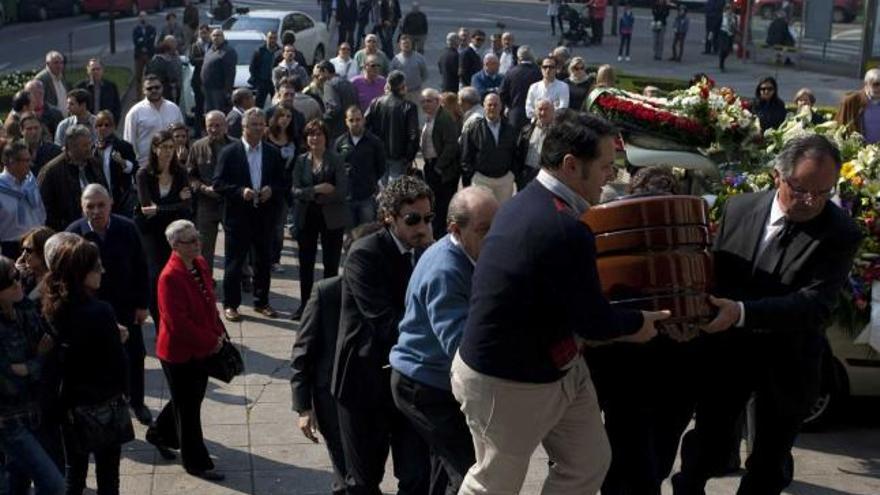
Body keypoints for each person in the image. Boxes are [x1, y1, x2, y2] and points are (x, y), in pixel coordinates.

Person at [452, 110, 666, 495]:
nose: (611, 176)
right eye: (604, 166)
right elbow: (594, 322)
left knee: (588, 462)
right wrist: (639, 323)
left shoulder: (529, 202)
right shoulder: (563, 227)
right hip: (507, 383)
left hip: (559, 368)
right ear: (571, 165)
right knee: (493, 485)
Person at [671, 134, 861, 495]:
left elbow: (814, 304)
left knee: (769, 465)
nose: (810, 201)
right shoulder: (739, 209)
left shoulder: (840, 233)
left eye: (823, 192)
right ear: (778, 176)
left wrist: (742, 313)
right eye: (801, 188)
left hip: (788, 362)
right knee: (705, 449)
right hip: (727, 356)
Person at [390, 186, 498, 495]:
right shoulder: (447, 271)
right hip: (423, 386)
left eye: (497, 227)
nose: (493, 238)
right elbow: (462, 347)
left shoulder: (466, 253)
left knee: (444, 473)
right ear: (455, 229)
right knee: (469, 474)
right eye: (483, 230)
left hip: (435, 381)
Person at [332, 175, 434, 495]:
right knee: (364, 482)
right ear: (390, 218)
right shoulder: (365, 254)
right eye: (413, 219)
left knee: (417, 475)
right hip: (365, 385)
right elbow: (385, 324)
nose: (422, 227)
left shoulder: (429, 251)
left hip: (409, 384)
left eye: (428, 218)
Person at [289, 223, 384, 495]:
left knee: (367, 470)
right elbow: (302, 352)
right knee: (348, 472)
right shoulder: (327, 292)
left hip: (374, 393)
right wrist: (303, 407)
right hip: (333, 397)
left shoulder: (388, 288)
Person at [43, 236, 130, 495]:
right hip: (102, 404)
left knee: (74, 473)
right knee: (108, 477)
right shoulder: (100, 311)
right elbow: (117, 363)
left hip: (69, 406)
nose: (102, 270)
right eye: (96, 266)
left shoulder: (52, 307)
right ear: (81, 273)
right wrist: (118, 338)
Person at [147, 220, 227, 481]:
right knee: (189, 409)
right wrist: (209, 341)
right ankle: (196, 462)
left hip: (201, 348)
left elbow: (207, 302)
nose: (197, 244)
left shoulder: (200, 263)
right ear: (174, 245)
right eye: (189, 241)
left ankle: (158, 433)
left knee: (187, 400)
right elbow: (177, 323)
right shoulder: (169, 276)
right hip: (178, 354)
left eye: (197, 238)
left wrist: (218, 330)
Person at [67, 184, 151, 426]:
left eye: (101, 205)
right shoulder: (74, 234)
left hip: (125, 307)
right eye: (90, 206)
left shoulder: (127, 228)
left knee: (135, 356)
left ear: (111, 204)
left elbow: (141, 268)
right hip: (92, 312)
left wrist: (143, 304)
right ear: (82, 208)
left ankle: (137, 401)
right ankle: (113, 405)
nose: (96, 211)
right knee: (103, 360)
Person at [0, 254, 65, 495]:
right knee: (55, 485)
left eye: (17, 277)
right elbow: (12, 375)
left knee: (18, 482)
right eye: (10, 281)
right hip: (8, 420)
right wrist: (35, 359)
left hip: (32, 411)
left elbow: (48, 341)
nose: (18, 283)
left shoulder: (22, 308)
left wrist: (31, 364)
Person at [213, 108, 285, 321]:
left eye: (261, 124)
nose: (258, 128)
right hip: (238, 216)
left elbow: (282, 182)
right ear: (243, 127)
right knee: (234, 262)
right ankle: (231, 304)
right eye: (253, 124)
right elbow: (218, 183)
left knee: (263, 261)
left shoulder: (272, 153)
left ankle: (262, 302)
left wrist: (271, 189)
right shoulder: (230, 152)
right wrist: (239, 191)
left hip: (264, 216)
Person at [290, 120, 349, 319]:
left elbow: (341, 190)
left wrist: (323, 195)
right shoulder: (300, 161)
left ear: (326, 137)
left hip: (331, 218)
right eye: (311, 135)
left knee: (331, 264)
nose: (315, 138)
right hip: (306, 217)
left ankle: (329, 306)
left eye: (319, 134)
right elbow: (295, 190)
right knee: (305, 264)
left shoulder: (336, 160)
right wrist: (316, 189)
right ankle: (305, 305)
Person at [135, 130, 192, 325]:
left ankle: (175, 315)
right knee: (155, 274)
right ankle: (159, 318)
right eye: (164, 147)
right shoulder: (144, 174)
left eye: (171, 147)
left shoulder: (181, 172)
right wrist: (175, 203)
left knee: (176, 274)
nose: (168, 151)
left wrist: (160, 208)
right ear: (154, 148)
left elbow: (186, 207)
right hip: (151, 231)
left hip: (174, 231)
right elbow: (146, 209)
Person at [37, 125, 110, 232]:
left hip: (97, 228)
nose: (89, 148)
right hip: (67, 233)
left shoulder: (94, 164)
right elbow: (44, 209)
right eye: (85, 145)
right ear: (71, 147)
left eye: (89, 143)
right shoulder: (51, 172)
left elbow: (105, 193)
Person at [188, 111, 233, 273]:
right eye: (210, 126)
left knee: (235, 242)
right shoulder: (197, 146)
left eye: (217, 125)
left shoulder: (236, 146)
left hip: (230, 202)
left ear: (226, 126)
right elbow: (190, 175)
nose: (213, 129)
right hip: (206, 202)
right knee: (204, 246)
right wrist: (202, 188)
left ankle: (242, 276)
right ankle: (206, 279)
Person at [461, 93, 517, 203]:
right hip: (482, 180)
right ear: (484, 106)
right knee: (482, 215)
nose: (492, 108)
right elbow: (466, 155)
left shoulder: (510, 129)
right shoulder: (473, 128)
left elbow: (515, 152)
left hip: (504, 180)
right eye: (489, 105)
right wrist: (472, 175)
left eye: (496, 105)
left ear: (501, 107)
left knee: (502, 214)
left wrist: (512, 174)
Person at [334, 106, 385, 228]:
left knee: (366, 234)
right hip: (346, 197)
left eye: (358, 119)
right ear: (346, 121)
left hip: (366, 197)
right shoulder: (340, 142)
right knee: (349, 236)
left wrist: (370, 180)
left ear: (363, 120)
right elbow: (334, 167)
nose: (355, 123)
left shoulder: (374, 142)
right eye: (351, 120)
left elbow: (381, 167)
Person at [365, 70, 419, 184]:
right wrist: (409, 157)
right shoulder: (408, 107)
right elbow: (413, 135)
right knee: (395, 191)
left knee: (382, 188)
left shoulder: (376, 103)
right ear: (402, 85)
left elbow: (364, 125)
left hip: (380, 153)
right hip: (399, 156)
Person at [420, 88, 460, 240]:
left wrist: (438, 166)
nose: (425, 104)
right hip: (431, 165)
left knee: (442, 206)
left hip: (442, 169)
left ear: (437, 101)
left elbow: (452, 145)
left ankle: (443, 237)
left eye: (429, 101)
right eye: (423, 101)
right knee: (434, 205)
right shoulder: (430, 117)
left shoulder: (444, 118)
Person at [123, 75, 184, 167]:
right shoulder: (135, 113)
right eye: (149, 88)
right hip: (146, 165)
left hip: (171, 163)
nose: (154, 90)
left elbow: (182, 136)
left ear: (162, 88)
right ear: (143, 90)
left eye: (157, 87)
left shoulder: (174, 109)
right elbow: (129, 142)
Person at [0, 141, 46, 259]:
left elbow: (40, 211)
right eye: (25, 160)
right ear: (11, 162)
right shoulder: (1, 188)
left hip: (36, 244)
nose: (30, 164)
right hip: (10, 249)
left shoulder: (30, 182)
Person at [94, 111, 137, 217]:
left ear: (113, 127)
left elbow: (135, 168)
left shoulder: (123, 146)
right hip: (99, 197)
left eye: (107, 125)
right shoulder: (92, 148)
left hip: (121, 197)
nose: (103, 128)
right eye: (99, 125)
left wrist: (122, 162)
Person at [499, 45, 542, 131]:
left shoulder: (511, 72)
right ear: (532, 57)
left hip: (515, 114)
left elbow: (502, 93)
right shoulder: (539, 72)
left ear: (518, 58)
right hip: (535, 114)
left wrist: (508, 106)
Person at [515, 98, 554, 190]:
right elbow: (518, 153)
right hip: (526, 173)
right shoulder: (526, 130)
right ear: (535, 111)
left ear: (553, 112)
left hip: (545, 174)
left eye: (546, 109)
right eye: (540, 109)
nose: (543, 113)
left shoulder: (557, 133)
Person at [319, 61, 360, 141]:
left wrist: (321, 119)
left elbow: (333, 108)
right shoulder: (348, 83)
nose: (319, 78)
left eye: (320, 74)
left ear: (325, 71)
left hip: (336, 130)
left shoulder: (329, 84)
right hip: (350, 127)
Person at [836, 68, 880, 143]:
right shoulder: (851, 101)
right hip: (857, 150)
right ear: (866, 84)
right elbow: (839, 126)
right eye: (876, 84)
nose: (879, 88)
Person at [75, 58, 122, 124]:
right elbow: (75, 107)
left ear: (102, 70)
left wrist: (114, 124)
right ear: (88, 70)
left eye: (98, 69)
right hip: (85, 126)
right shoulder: (80, 87)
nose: (96, 72)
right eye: (93, 69)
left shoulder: (111, 87)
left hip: (105, 126)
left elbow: (117, 108)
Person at [202, 29, 238, 113]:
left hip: (219, 89)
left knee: (219, 113)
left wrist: (227, 91)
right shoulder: (210, 50)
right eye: (214, 35)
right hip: (208, 89)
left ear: (223, 37)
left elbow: (230, 73)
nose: (216, 37)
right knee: (209, 113)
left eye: (218, 35)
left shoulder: (228, 51)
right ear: (211, 37)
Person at [390, 35, 429, 105]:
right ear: (400, 45)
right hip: (400, 93)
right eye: (404, 43)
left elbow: (424, 75)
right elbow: (391, 76)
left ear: (411, 44)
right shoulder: (395, 60)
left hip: (415, 93)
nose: (406, 45)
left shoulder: (419, 58)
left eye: (408, 43)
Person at [189, 24, 213, 136]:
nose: (203, 35)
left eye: (205, 32)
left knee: (210, 106)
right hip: (198, 80)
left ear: (209, 33)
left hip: (211, 80)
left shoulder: (213, 45)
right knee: (199, 106)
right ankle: (197, 131)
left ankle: (210, 130)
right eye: (201, 32)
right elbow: (192, 60)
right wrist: (207, 59)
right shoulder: (195, 46)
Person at [147, 36, 184, 104]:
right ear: (166, 51)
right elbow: (172, 77)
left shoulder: (152, 61)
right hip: (166, 90)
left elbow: (147, 74)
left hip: (153, 88)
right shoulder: (166, 62)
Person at [249, 31, 281, 108]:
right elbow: (252, 67)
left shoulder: (280, 52)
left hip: (275, 82)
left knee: (277, 103)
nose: (272, 40)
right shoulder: (259, 51)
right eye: (270, 38)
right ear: (266, 38)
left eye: (274, 38)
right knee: (258, 104)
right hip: (262, 82)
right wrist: (257, 80)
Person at [35, 51, 69, 116]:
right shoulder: (41, 79)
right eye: (56, 63)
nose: (59, 66)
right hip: (51, 120)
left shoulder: (61, 77)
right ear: (48, 64)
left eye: (61, 63)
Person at [133, 11, 158, 85]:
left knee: (151, 74)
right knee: (138, 76)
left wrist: (142, 40)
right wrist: (145, 40)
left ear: (147, 17)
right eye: (141, 16)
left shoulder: (152, 28)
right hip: (139, 54)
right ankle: (138, 94)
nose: (142, 18)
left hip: (149, 54)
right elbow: (136, 41)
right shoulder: (136, 30)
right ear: (138, 18)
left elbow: (152, 40)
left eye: (144, 16)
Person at [718, 3, 737, 72]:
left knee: (728, 50)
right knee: (724, 49)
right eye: (727, 9)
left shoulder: (734, 17)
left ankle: (722, 59)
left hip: (730, 35)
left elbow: (735, 26)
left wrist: (735, 31)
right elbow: (717, 25)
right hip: (723, 34)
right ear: (725, 10)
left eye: (730, 9)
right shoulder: (722, 16)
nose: (729, 11)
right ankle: (721, 64)